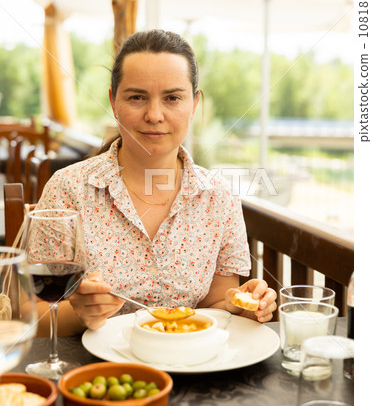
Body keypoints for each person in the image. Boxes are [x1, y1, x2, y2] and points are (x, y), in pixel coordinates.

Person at [35, 29, 277, 336]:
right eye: (137, 97)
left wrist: (237, 306)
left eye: (172, 98)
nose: (154, 114)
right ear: (113, 102)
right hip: (91, 373)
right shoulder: (67, 189)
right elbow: (31, 314)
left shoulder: (219, 198)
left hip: (191, 370)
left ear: (194, 105)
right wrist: (78, 313)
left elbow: (216, 303)